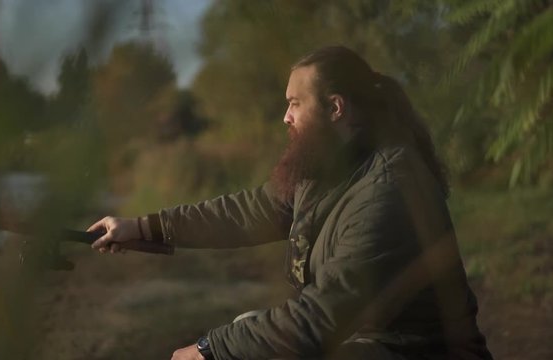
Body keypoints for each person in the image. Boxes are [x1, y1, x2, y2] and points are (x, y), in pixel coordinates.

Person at [88, 46, 493, 360]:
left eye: (295, 103)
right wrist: (142, 227)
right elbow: (246, 213)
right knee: (249, 336)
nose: (285, 117)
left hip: (419, 353)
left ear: (335, 108)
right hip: (371, 342)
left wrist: (209, 348)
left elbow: (318, 320)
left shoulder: (388, 192)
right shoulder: (332, 168)